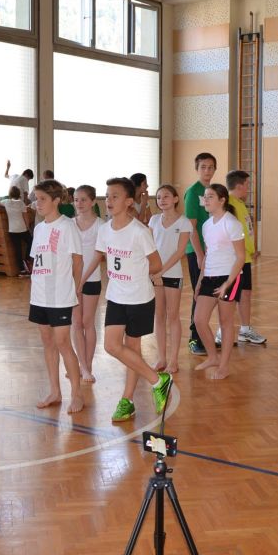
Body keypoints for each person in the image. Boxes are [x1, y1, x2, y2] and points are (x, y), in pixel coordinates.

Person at [86, 177, 172, 422]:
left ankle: (127, 401)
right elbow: (105, 258)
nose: (109, 200)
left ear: (128, 201)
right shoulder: (104, 230)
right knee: (112, 345)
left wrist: (136, 275)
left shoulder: (139, 231)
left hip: (140, 298)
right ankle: (158, 381)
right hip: (115, 296)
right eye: (107, 195)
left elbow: (155, 264)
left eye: (115, 196)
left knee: (132, 350)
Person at [28, 180, 85, 413]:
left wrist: (74, 287)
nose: (37, 203)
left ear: (56, 201)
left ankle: (77, 394)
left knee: (63, 342)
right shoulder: (40, 228)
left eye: (42, 199)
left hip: (60, 296)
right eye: (36, 198)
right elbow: (37, 262)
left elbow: (77, 261)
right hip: (39, 296)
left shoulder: (67, 227)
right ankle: (55, 390)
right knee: (48, 342)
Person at [193, 184, 246, 380]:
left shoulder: (231, 223)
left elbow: (240, 257)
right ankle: (213, 357)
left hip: (228, 277)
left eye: (210, 197)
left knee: (226, 322)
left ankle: (224, 366)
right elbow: (208, 254)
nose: (205, 200)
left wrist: (228, 283)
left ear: (222, 200)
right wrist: (200, 281)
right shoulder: (207, 225)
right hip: (209, 276)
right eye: (205, 197)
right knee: (199, 320)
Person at [220, 170, 267, 346]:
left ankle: (245, 330)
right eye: (248, 184)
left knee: (245, 294)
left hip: (245, 258)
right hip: (236, 259)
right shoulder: (229, 205)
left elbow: (246, 231)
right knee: (230, 297)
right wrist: (249, 248)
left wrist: (252, 249)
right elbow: (235, 234)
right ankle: (221, 332)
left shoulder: (240, 203)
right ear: (239, 185)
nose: (249, 188)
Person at [148, 184, 192, 374]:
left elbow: (180, 252)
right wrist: (153, 271)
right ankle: (162, 358)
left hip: (172, 275)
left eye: (166, 196)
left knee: (173, 316)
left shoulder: (184, 222)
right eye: (159, 197)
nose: (162, 200)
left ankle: (174, 360)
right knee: (159, 315)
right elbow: (149, 247)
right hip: (155, 275)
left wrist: (161, 271)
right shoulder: (154, 220)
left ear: (175, 199)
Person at [184, 153, 217, 355]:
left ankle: (205, 335)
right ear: (197, 169)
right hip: (198, 251)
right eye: (203, 167)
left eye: (211, 167)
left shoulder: (213, 192)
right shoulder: (192, 192)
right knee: (199, 294)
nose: (207, 171)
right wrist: (199, 254)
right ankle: (194, 338)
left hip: (214, 252)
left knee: (209, 295)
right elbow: (191, 227)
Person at [73, 185, 104, 382]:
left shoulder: (101, 225)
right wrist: (73, 279)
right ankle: (82, 365)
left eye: (84, 199)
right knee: (75, 323)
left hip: (91, 279)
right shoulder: (69, 224)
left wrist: (82, 280)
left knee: (87, 322)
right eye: (76, 200)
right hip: (71, 280)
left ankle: (88, 365)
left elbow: (99, 255)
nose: (80, 204)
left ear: (93, 201)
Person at [0, 186, 33, 275]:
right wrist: (28, 228)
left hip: (12, 230)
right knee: (31, 242)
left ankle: (21, 270)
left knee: (17, 250)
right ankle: (27, 259)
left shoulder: (6, 202)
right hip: (22, 229)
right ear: (19, 194)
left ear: (10, 194)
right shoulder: (21, 203)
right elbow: (25, 217)